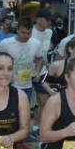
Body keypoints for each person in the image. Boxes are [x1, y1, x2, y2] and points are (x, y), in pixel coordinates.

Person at [0, 16, 42, 102]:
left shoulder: (36, 43)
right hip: (9, 85)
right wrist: (3, 75)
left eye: (29, 33)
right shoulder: (6, 43)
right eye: (23, 33)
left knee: (24, 111)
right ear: (17, 30)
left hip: (27, 85)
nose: (26, 36)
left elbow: (39, 59)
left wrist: (37, 72)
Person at [30, 8, 56, 141]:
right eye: (47, 20)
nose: (49, 22)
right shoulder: (31, 32)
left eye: (50, 20)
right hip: (27, 71)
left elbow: (48, 47)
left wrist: (46, 61)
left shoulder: (50, 32)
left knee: (44, 101)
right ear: (39, 20)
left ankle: (36, 128)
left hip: (43, 71)